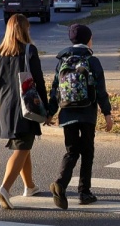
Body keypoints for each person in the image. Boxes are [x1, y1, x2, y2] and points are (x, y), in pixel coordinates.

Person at [46, 22, 113, 210]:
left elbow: (55, 89)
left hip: (67, 113)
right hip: (87, 114)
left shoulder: (62, 61)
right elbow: (101, 90)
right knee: (87, 152)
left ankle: (60, 182)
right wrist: (107, 113)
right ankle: (84, 192)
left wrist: (51, 112)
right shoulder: (93, 61)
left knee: (71, 151)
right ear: (88, 40)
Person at [0, 14, 48, 208]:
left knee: (23, 146)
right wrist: (45, 108)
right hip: (26, 107)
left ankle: (29, 186)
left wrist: (3, 97)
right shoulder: (30, 51)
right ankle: (4, 189)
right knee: (22, 147)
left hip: (6, 107)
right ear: (24, 30)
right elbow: (38, 80)